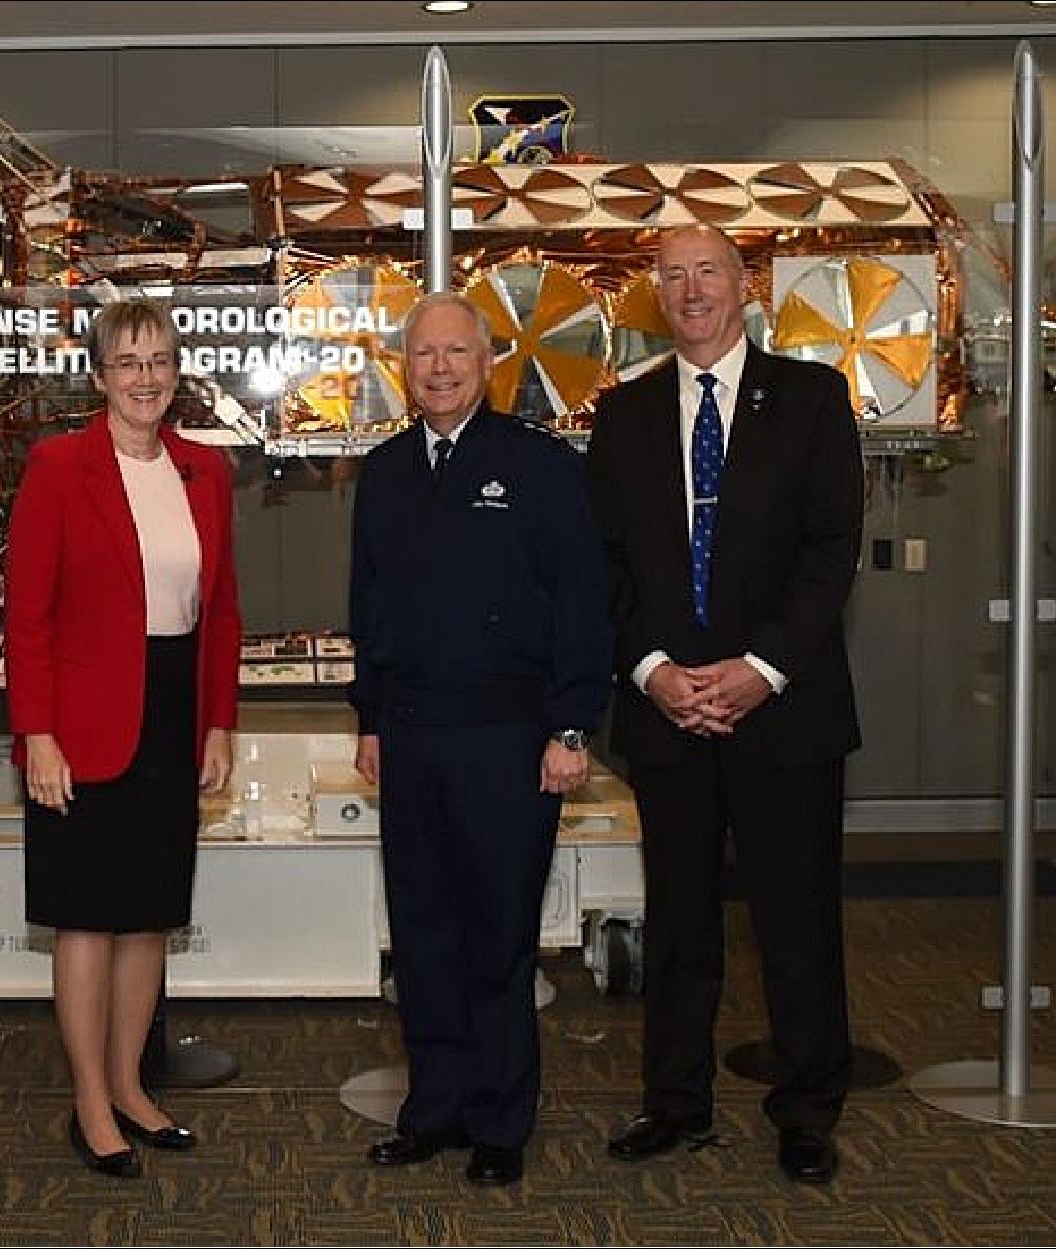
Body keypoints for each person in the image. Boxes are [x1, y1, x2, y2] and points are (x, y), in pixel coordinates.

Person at [585, 224, 864, 1185]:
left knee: (796, 924)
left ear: (743, 286)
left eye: (707, 271)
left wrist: (759, 670)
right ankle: (674, 1104)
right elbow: (606, 568)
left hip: (783, 710)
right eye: (672, 275)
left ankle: (807, 1110)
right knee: (678, 927)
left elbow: (832, 552)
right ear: (654, 294)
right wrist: (657, 671)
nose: (690, 289)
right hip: (669, 715)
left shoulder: (813, 398)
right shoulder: (619, 416)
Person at [347, 291, 613, 1187]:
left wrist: (571, 725)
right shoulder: (383, 472)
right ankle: (434, 1108)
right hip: (411, 735)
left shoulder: (540, 467)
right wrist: (370, 717)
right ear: (405, 365)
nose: (439, 368)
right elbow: (369, 606)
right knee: (421, 935)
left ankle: (501, 1120)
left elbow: (582, 602)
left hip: (510, 738)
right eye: (424, 354)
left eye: (456, 353)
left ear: (487, 361)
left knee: (498, 936)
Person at [3, 298, 241, 1180]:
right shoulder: (60, 467)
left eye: (160, 360)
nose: (146, 377)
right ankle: (91, 1103)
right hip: (83, 721)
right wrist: (38, 734)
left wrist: (218, 719)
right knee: (86, 918)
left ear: (177, 372)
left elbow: (221, 613)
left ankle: (134, 1088)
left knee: (148, 914)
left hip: (173, 712)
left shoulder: (203, 473)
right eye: (128, 361)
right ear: (100, 374)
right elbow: (26, 617)